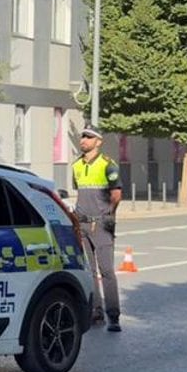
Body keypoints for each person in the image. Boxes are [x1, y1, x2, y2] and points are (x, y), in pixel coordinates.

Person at [70, 124, 123, 332]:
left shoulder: (107, 165)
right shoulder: (76, 166)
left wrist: (108, 215)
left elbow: (116, 194)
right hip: (82, 223)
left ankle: (114, 315)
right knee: (89, 271)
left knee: (107, 271)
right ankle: (95, 311)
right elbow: (80, 192)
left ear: (98, 142)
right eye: (82, 137)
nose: (84, 140)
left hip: (101, 224)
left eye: (89, 137)